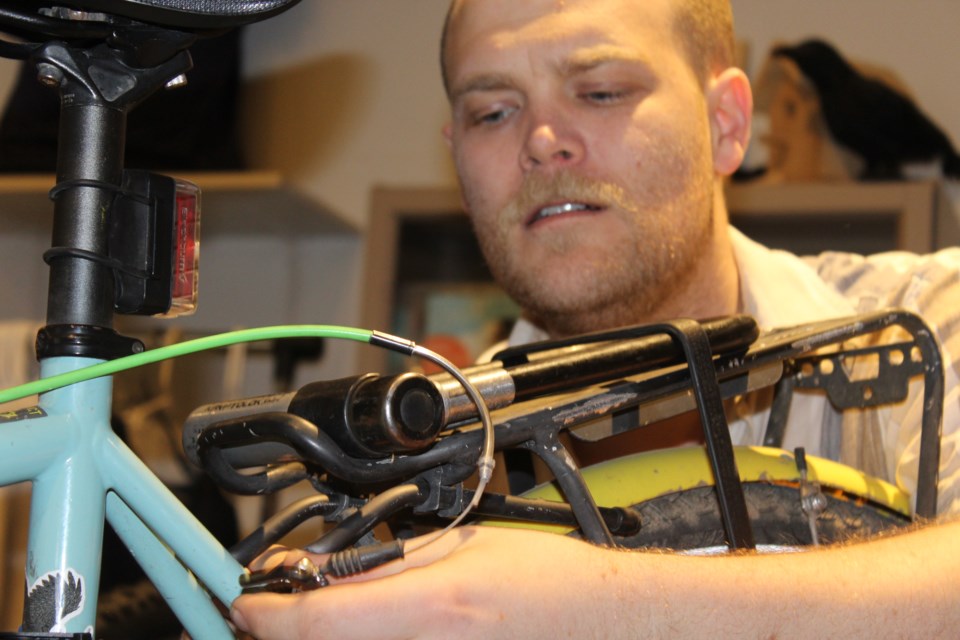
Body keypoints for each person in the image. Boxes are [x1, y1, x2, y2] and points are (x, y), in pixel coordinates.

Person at [230, 0, 960, 637]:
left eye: (602, 91)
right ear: (458, 166)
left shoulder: (936, 319)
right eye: (494, 112)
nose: (543, 139)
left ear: (727, 123)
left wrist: (612, 611)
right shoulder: (416, 476)